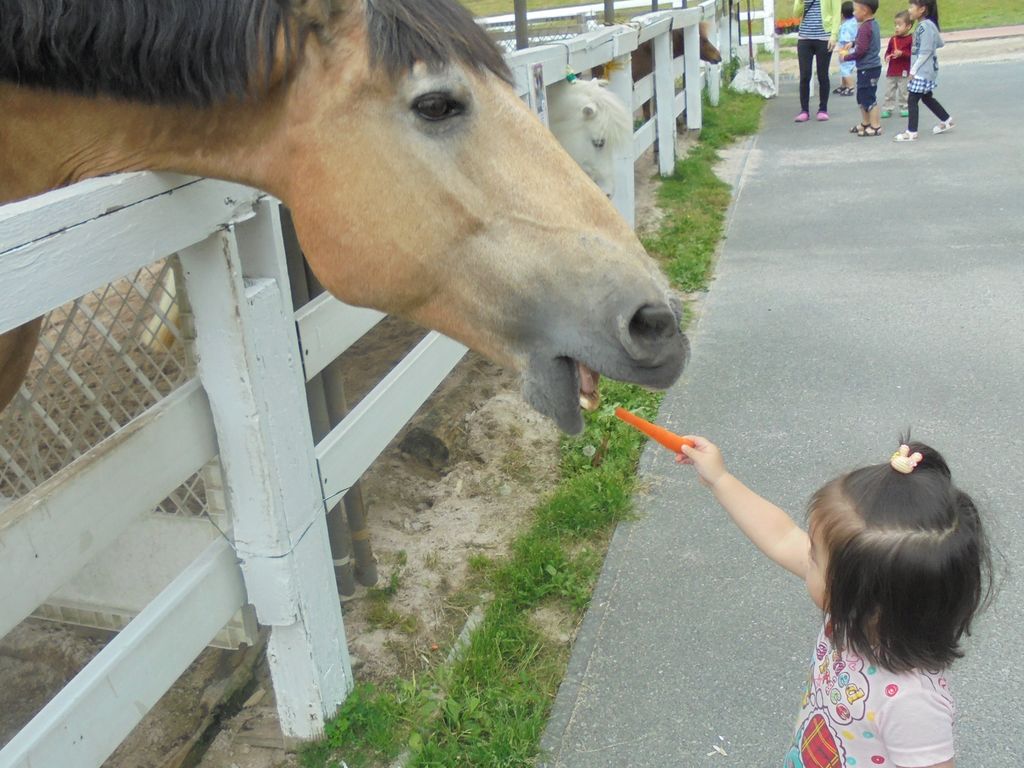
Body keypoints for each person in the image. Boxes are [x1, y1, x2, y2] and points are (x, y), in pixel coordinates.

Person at [677, 435, 992, 767]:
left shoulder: (911, 703)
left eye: (814, 556)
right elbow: (780, 535)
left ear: (865, 596)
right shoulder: (856, 611)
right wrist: (721, 479)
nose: (805, 555)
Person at [895, 0, 953, 142]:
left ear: (922, 9)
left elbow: (925, 52)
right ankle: (947, 120)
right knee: (926, 97)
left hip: (922, 71)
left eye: (911, 6)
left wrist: (913, 71)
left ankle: (911, 132)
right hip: (928, 69)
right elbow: (940, 42)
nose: (909, 10)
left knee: (912, 99)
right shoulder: (929, 25)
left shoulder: (923, 27)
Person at [838, 0, 882, 137]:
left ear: (864, 11)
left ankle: (875, 126)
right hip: (868, 67)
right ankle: (865, 122)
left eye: (855, 10)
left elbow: (861, 51)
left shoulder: (864, 27)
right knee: (861, 96)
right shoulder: (871, 24)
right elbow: (862, 42)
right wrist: (851, 44)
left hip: (868, 68)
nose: (853, 13)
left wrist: (846, 57)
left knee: (868, 97)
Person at [794, 0, 843, 122]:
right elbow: (796, 14)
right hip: (804, 37)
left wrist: (834, 35)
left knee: (822, 75)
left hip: (824, 37)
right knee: (805, 75)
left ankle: (823, 109)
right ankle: (804, 110)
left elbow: (836, 13)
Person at [882, 10, 914, 118]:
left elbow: (911, 54)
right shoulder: (893, 39)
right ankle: (887, 108)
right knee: (889, 91)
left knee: (903, 91)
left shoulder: (910, 39)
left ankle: (904, 107)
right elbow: (888, 51)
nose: (896, 27)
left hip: (904, 70)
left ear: (908, 26)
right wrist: (887, 56)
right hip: (892, 70)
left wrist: (902, 53)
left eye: (899, 25)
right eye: (895, 25)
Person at [832, 2, 858, 96]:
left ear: (842, 14)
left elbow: (845, 41)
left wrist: (842, 53)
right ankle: (844, 85)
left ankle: (850, 87)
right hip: (853, 50)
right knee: (844, 69)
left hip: (846, 50)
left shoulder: (845, 27)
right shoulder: (854, 22)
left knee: (845, 69)